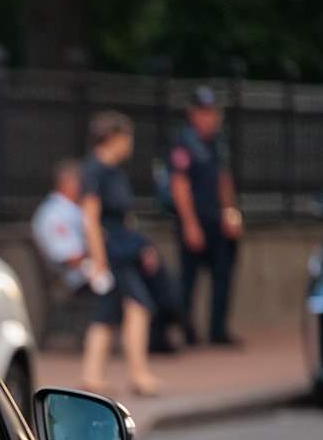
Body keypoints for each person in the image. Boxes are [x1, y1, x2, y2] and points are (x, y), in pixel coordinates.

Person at [78, 110, 162, 397]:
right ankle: (139, 374)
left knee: (105, 313)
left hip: (122, 250)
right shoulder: (94, 170)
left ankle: (91, 375)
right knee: (139, 307)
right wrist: (99, 260)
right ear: (115, 138)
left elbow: (124, 217)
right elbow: (90, 219)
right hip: (111, 253)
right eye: (127, 138)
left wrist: (141, 246)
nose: (130, 144)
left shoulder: (113, 171)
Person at [168, 85, 243, 347]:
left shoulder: (217, 142)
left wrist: (229, 214)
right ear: (193, 113)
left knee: (223, 278)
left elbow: (224, 179)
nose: (210, 117)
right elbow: (179, 186)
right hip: (194, 221)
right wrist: (190, 225)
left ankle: (218, 330)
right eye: (204, 112)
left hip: (217, 222)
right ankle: (187, 331)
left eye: (213, 112)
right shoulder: (183, 143)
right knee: (188, 281)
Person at [32, 159, 90, 290]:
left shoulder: (76, 208)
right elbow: (69, 257)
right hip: (76, 283)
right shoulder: (53, 214)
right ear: (70, 183)